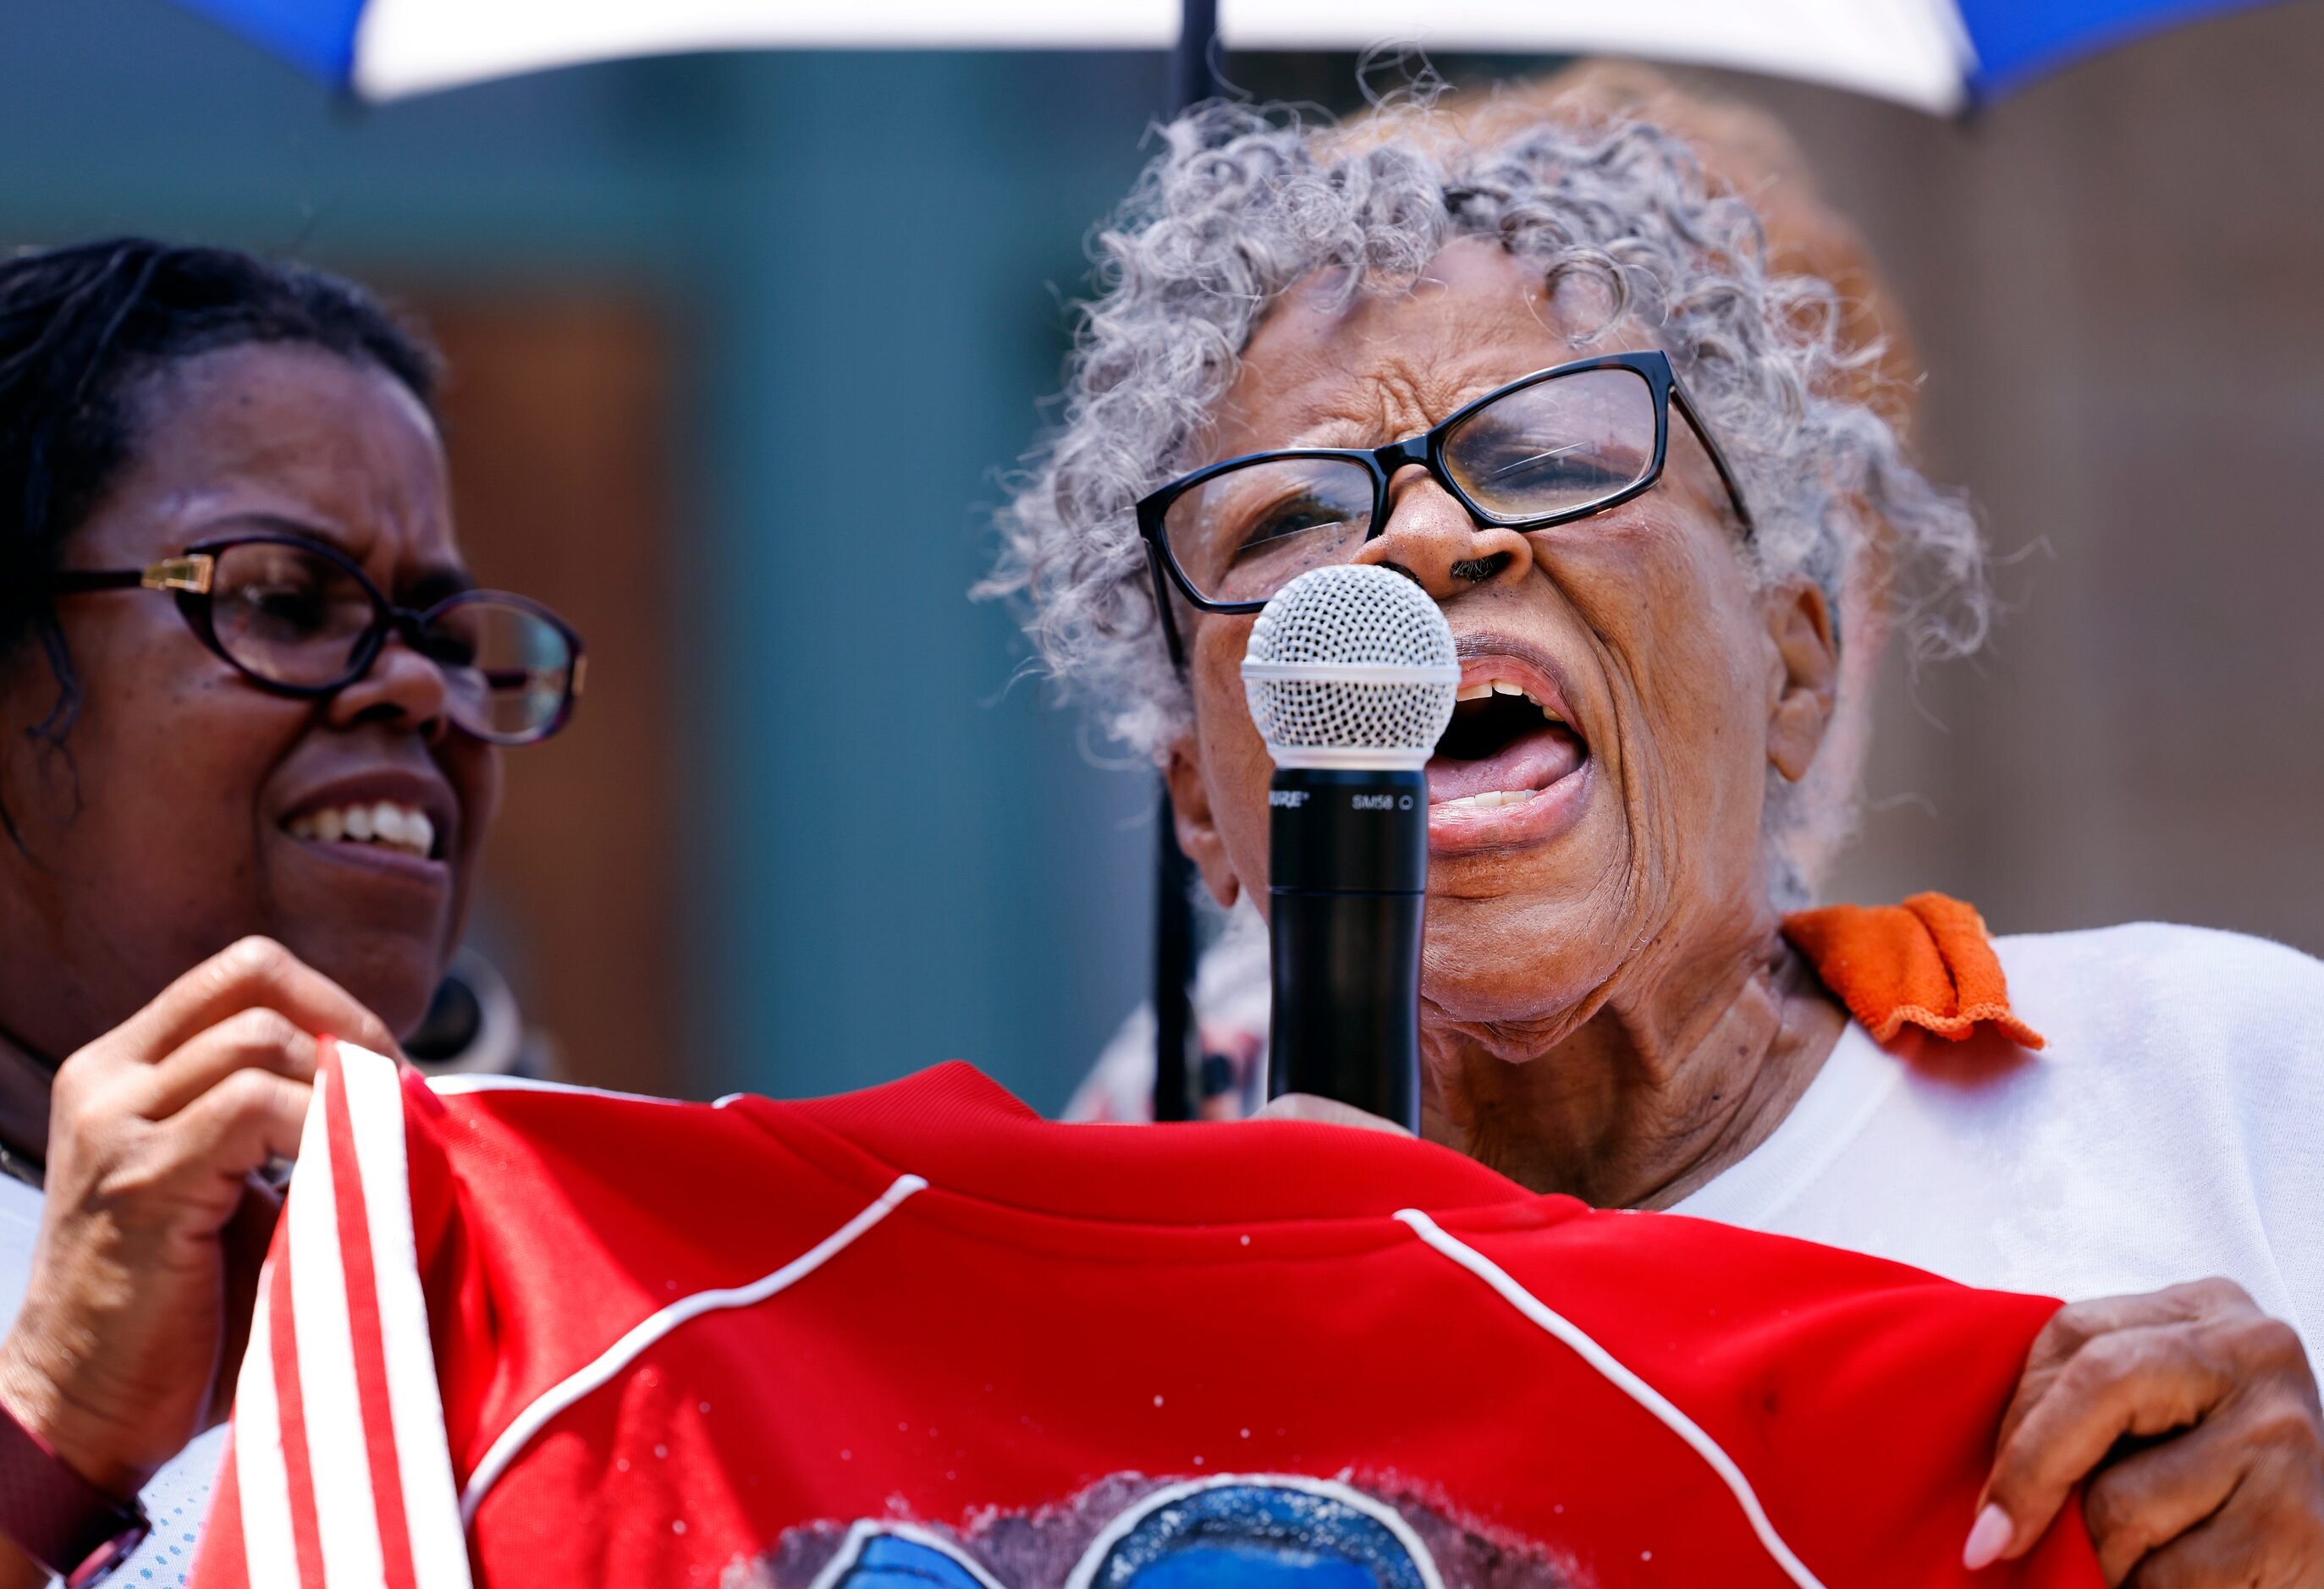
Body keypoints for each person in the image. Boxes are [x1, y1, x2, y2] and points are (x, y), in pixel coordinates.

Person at [989, 76, 2324, 1586]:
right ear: (1198, 806)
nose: (1419, 540)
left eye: (1553, 459)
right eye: (1289, 519)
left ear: (1797, 669)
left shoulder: (2226, 1080)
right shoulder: (1071, 1349)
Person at [0, 239, 584, 1585]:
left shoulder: (549, 1268)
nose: (422, 689)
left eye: (440, 630)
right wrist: (51, 1430)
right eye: (280, 599)